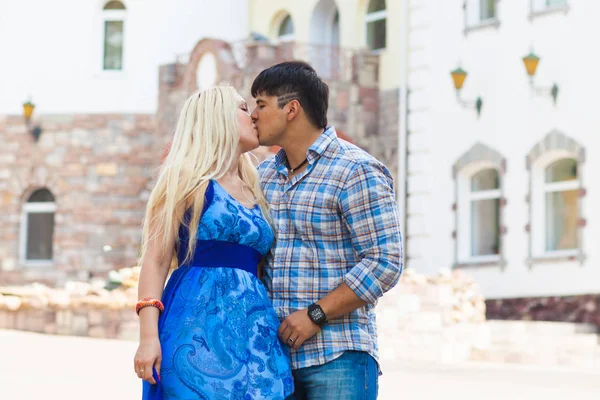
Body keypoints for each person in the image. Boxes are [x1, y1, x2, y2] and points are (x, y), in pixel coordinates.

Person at [250, 61, 403, 399]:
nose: (253, 115)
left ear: (292, 109)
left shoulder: (356, 170)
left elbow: (386, 261)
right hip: (274, 362)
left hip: (338, 356)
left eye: (261, 104)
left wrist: (315, 315)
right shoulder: (264, 176)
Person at [133, 86, 294, 400]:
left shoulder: (258, 188)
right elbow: (155, 260)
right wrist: (148, 337)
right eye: (244, 109)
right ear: (217, 117)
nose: (254, 116)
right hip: (194, 332)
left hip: (255, 333)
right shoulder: (186, 179)